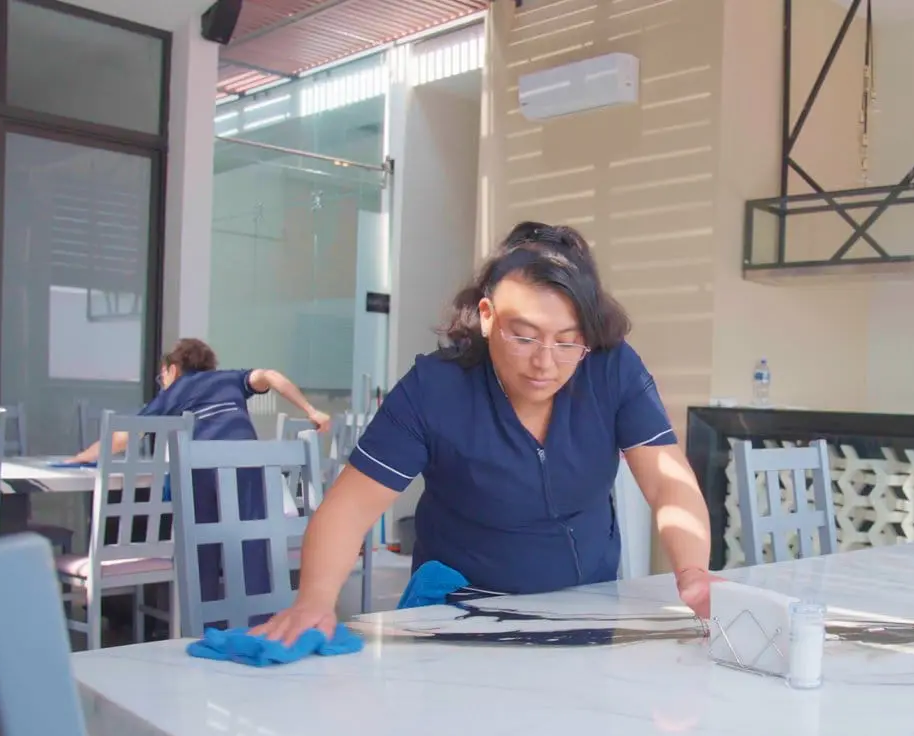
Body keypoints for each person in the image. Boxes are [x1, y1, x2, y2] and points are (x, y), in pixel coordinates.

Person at [255, 222, 713, 646]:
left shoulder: (612, 370)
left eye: (568, 340)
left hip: (583, 613)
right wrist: (314, 600)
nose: (545, 362)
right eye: (525, 336)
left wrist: (692, 572)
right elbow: (350, 507)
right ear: (488, 316)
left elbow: (667, 481)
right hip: (460, 620)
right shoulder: (436, 388)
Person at [70, 338, 332, 605]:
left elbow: (122, 437)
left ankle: (204, 619)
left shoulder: (174, 392)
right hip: (248, 464)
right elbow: (271, 376)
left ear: (173, 369)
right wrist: (311, 410)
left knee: (201, 547)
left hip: (203, 469)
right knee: (252, 542)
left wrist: (79, 457)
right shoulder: (229, 379)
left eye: (162, 375)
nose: (162, 381)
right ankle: (259, 619)